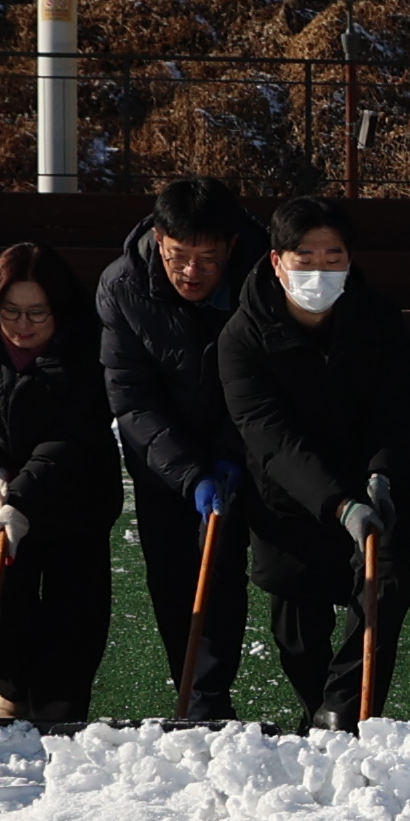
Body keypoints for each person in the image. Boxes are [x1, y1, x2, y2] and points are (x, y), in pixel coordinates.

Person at [215, 196, 410, 730]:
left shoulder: (379, 320)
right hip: (290, 494)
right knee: (296, 630)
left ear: (349, 259)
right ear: (277, 261)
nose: (320, 271)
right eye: (306, 258)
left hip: (375, 482)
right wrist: (339, 504)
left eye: (333, 257)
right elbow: (272, 438)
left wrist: (381, 475)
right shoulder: (242, 337)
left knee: (384, 587)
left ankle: (344, 713)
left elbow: (394, 408)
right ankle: (320, 709)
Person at [0, 242, 119, 721]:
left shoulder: (89, 348)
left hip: (75, 497)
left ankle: (61, 710)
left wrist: (24, 495)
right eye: (10, 311)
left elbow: (77, 433)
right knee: (4, 605)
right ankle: (10, 695)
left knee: (74, 612)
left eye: (37, 313)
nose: (22, 325)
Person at [99, 172, 263, 720]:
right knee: (171, 569)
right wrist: (189, 473)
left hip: (241, 439)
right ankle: (193, 695)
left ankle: (210, 697)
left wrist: (229, 455)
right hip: (161, 449)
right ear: (158, 238)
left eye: (207, 259)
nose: (191, 273)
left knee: (223, 563)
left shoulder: (263, 279)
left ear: (231, 247)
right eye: (178, 257)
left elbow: (261, 382)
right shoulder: (123, 285)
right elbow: (131, 397)